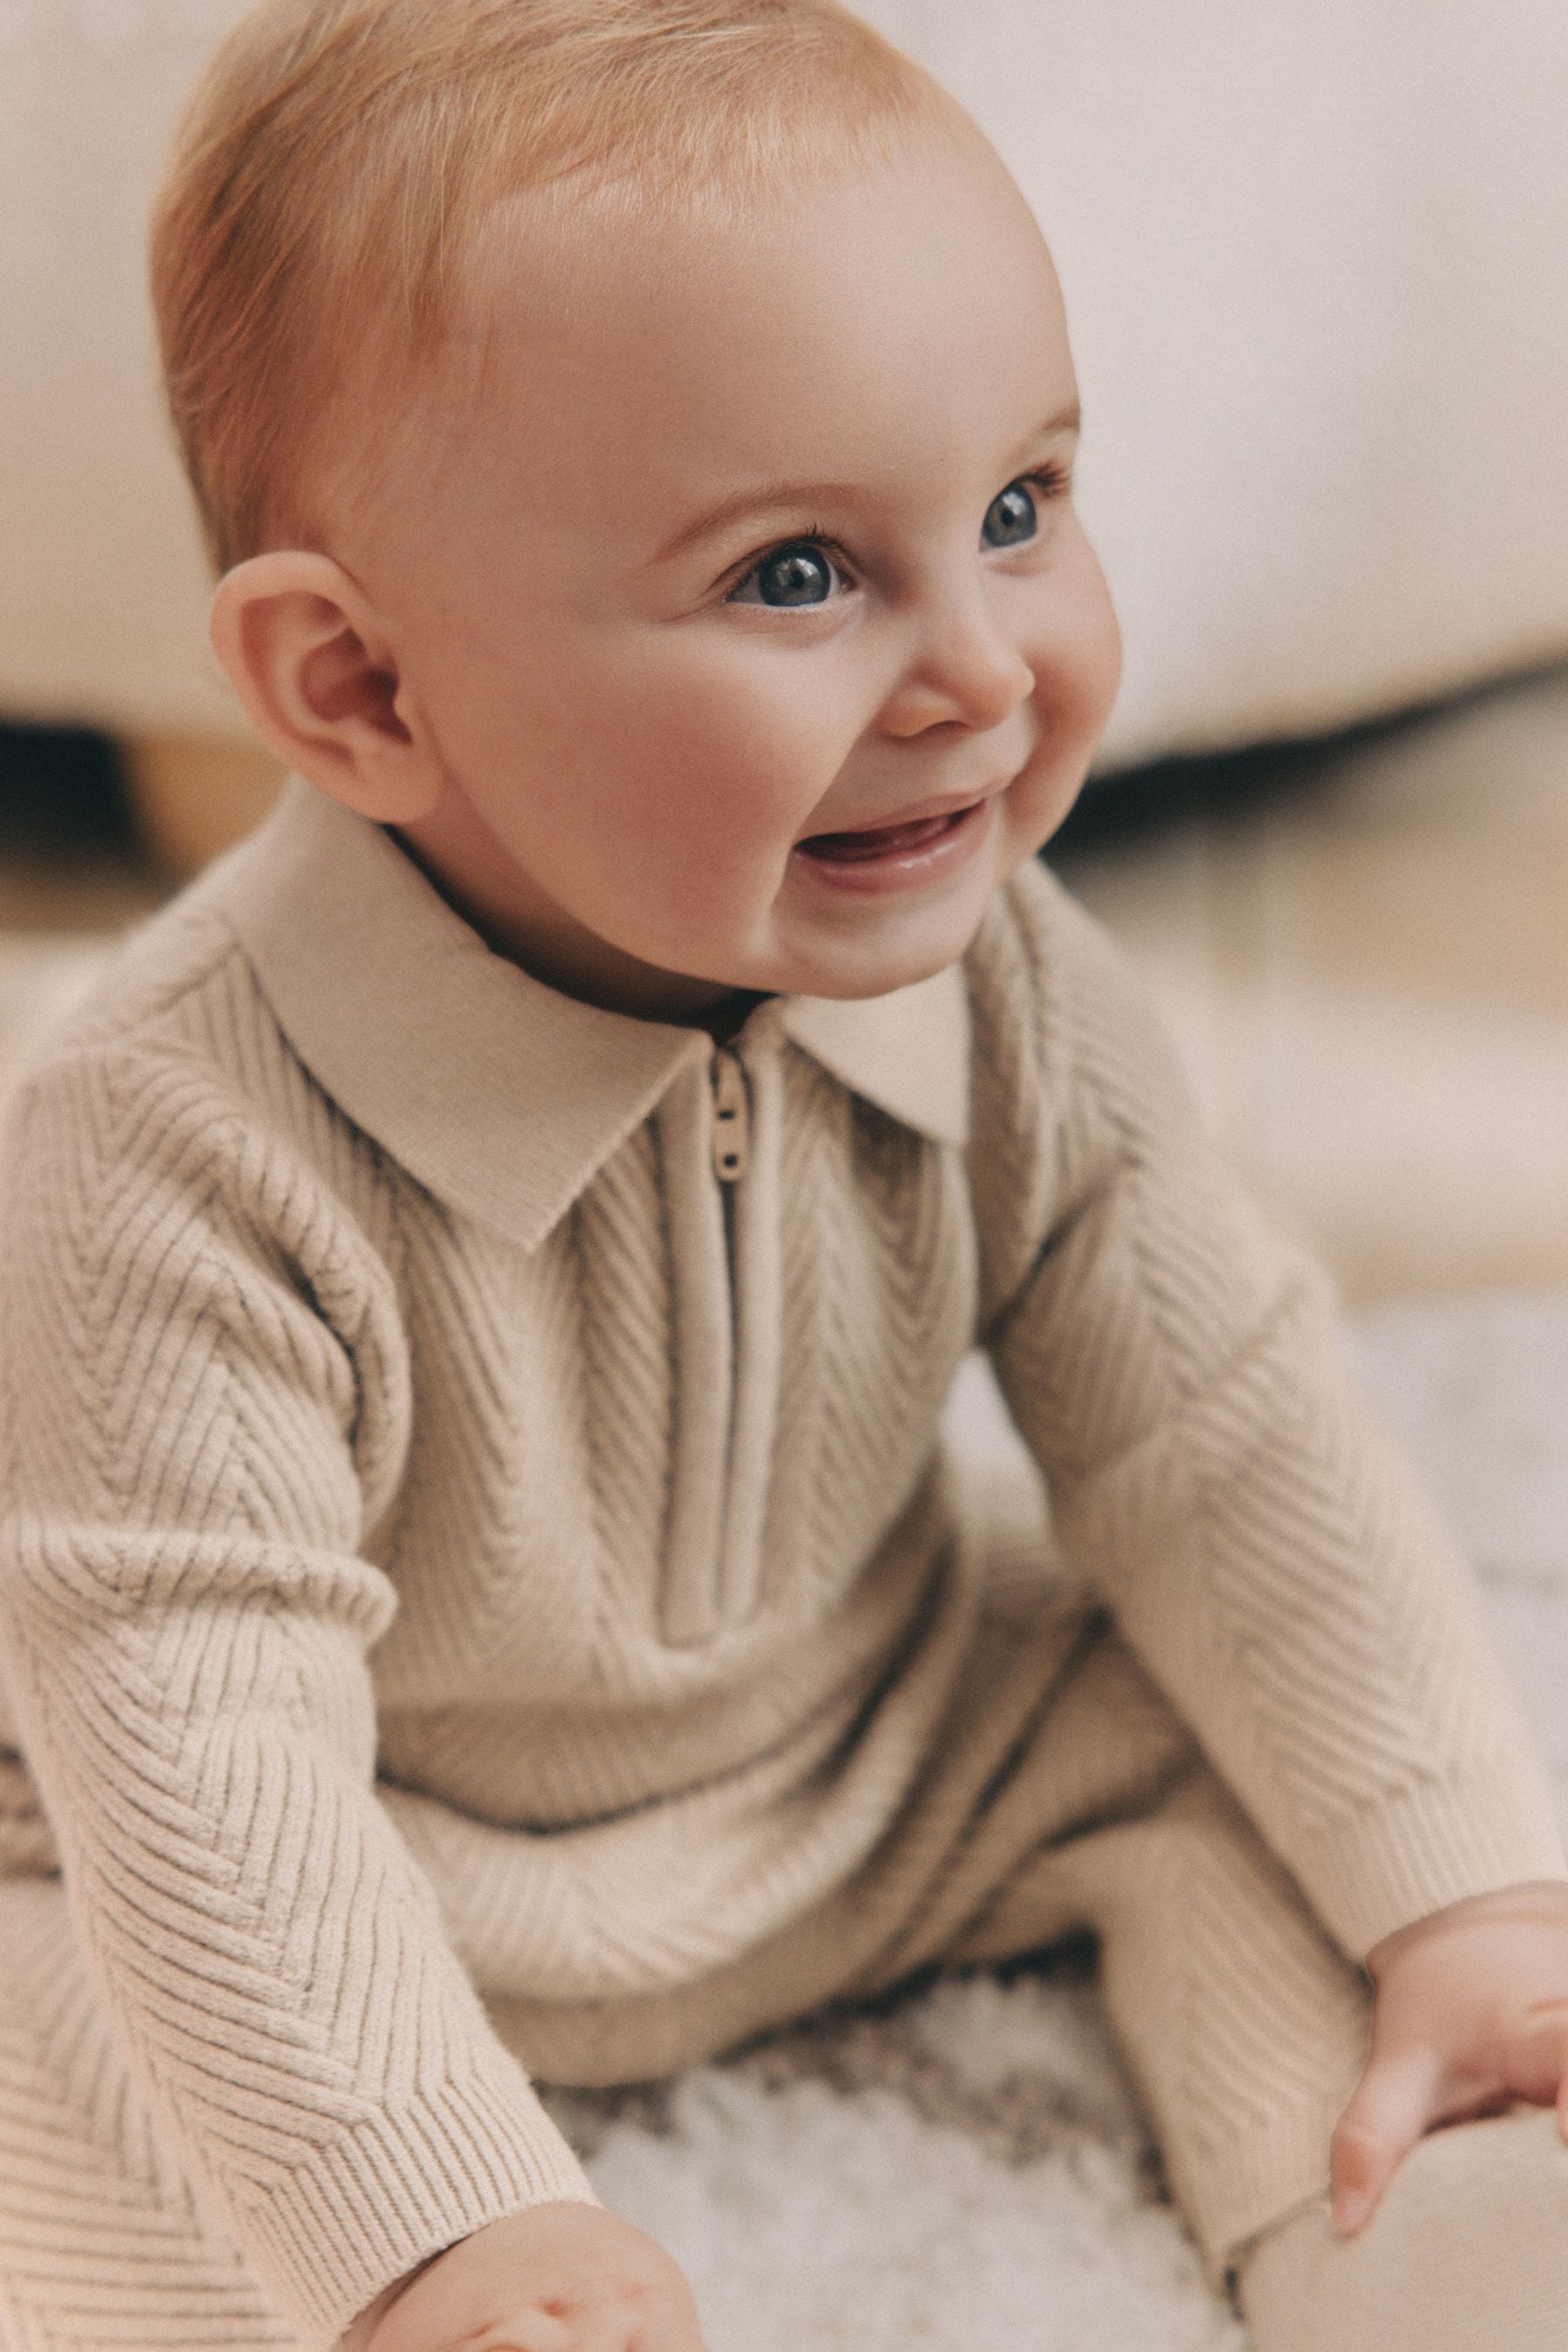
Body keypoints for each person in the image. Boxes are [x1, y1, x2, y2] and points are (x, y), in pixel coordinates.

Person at [2, 2, 1566, 2346]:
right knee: (120, 2036)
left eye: (1022, 508)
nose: (982, 670)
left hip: (875, 1740)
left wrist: (1468, 1889)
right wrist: (439, 2226)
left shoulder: (1013, 979)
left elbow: (1221, 1422)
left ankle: (1437, 2198)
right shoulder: (162, 1144)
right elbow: (202, 1731)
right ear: (361, 690)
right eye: (800, 576)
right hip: (366, 1838)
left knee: (1251, 1744)